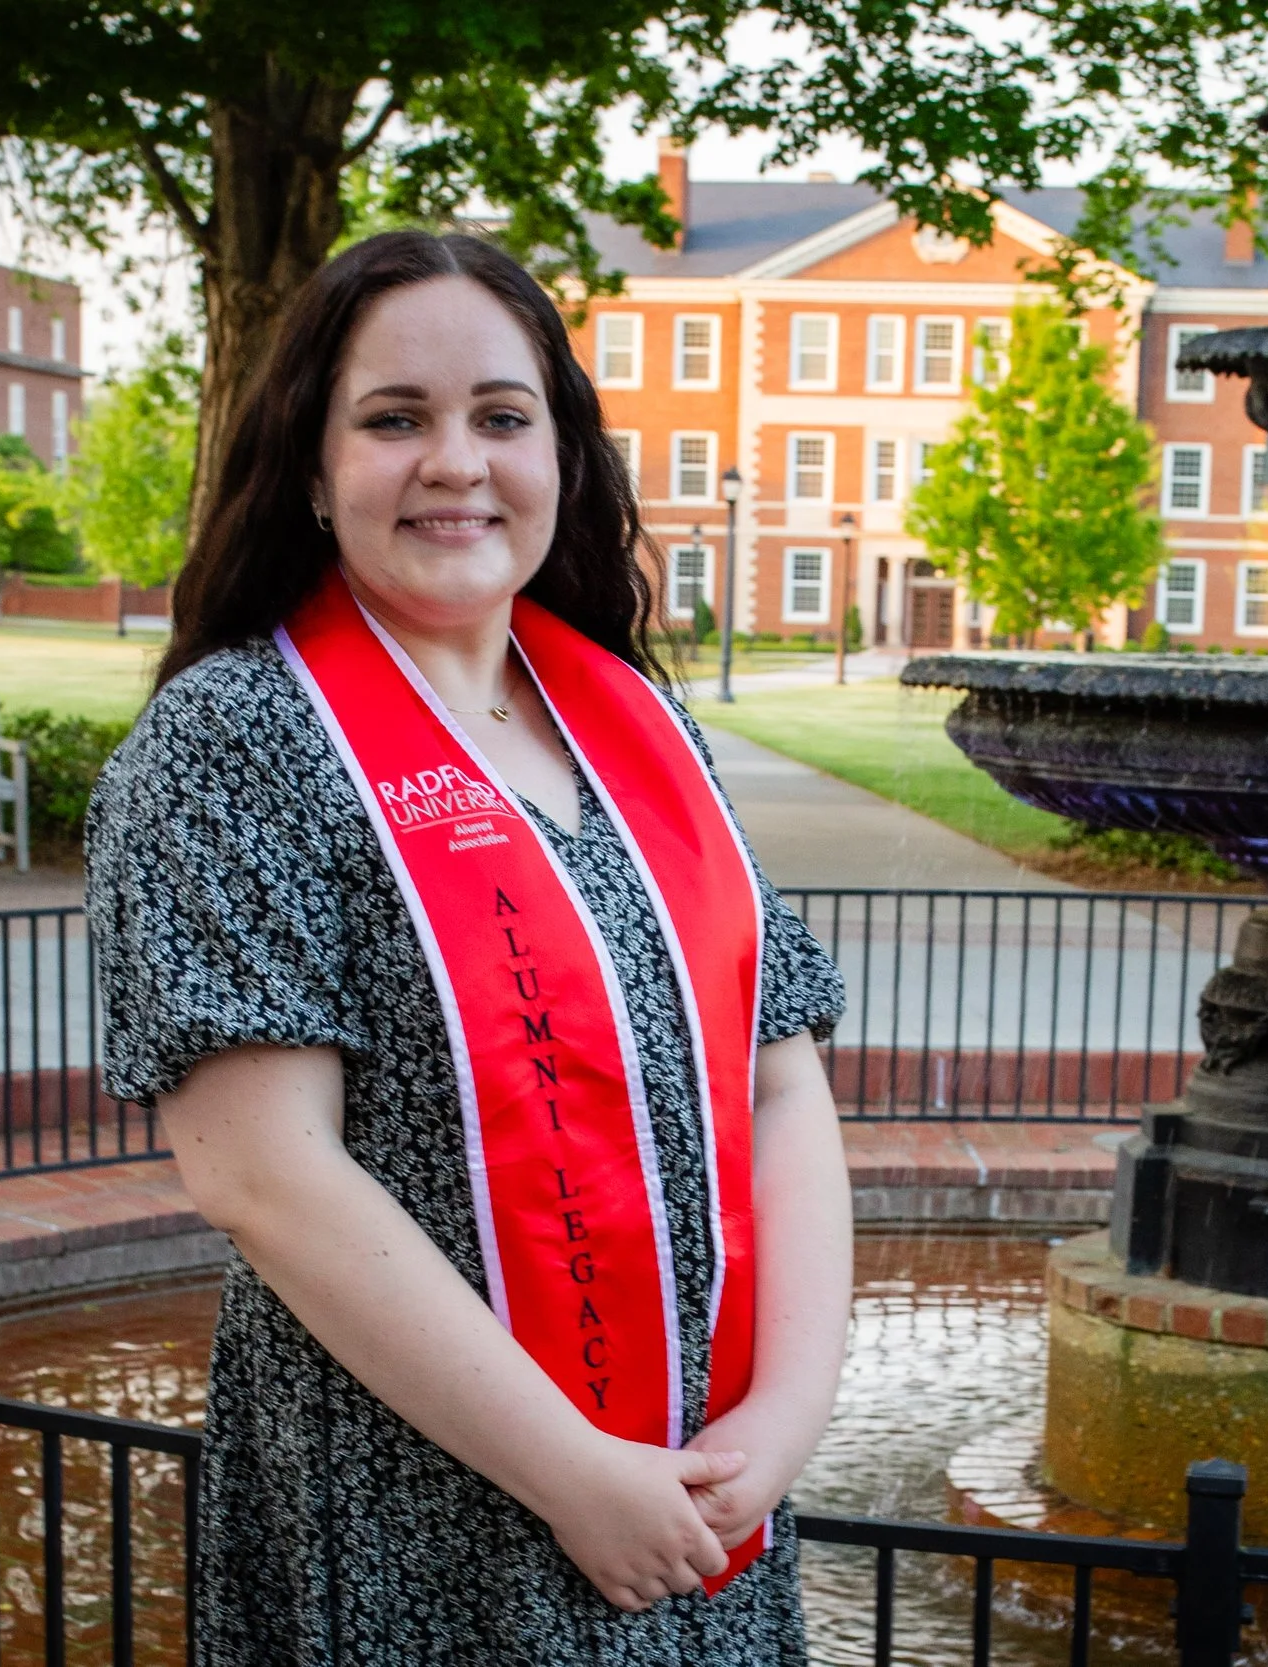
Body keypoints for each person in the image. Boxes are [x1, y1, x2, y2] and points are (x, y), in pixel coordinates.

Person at [85, 229, 853, 1665]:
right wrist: (577, 1476)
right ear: (310, 469)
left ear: (559, 453)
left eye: (503, 416)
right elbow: (262, 1172)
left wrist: (786, 1416)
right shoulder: (233, 745)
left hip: (701, 1498)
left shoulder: (635, 732)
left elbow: (782, 1074)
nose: (456, 461)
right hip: (422, 1511)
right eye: (395, 419)